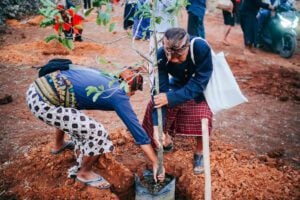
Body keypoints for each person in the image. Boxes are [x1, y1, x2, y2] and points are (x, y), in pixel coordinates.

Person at [26, 63, 165, 189]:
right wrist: (155, 162)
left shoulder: (105, 75)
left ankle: (59, 144)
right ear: (127, 86)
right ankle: (84, 173)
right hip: (42, 103)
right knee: (97, 132)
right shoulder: (118, 95)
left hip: (36, 89)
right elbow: (138, 133)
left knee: (70, 110)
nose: (133, 94)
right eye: (133, 90)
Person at [142, 28, 213, 175]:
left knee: (203, 114)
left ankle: (199, 151)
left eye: (179, 57)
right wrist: (157, 128)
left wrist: (171, 98)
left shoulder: (200, 47)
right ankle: (164, 138)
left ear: (187, 48)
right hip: (178, 83)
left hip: (200, 86)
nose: (174, 60)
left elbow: (200, 82)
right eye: (170, 56)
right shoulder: (160, 55)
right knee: (153, 105)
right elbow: (159, 91)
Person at [148, 0, 178, 85]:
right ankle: (153, 88)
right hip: (155, 29)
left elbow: (172, 7)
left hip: (168, 31)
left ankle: (168, 88)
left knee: (168, 60)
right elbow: (148, 8)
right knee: (153, 60)